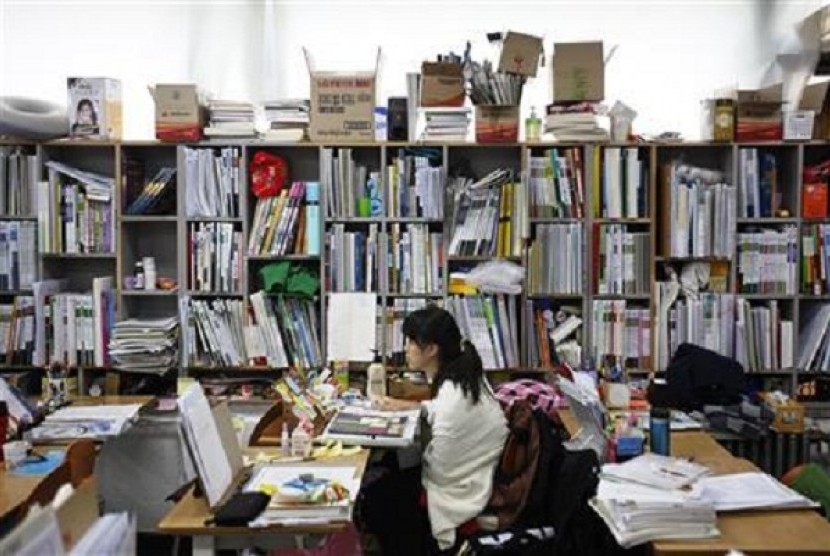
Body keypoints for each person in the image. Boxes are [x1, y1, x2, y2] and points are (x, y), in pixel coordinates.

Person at [360, 305, 508, 555]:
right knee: (388, 474)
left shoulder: (452, 394)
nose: (405, 348)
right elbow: (440, 409)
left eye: (411, 342)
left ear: (431, 349)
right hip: (475, 473)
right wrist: (406, 407)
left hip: (456, 489)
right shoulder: (462, 378)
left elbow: (438, 473)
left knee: (377, 497)